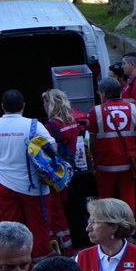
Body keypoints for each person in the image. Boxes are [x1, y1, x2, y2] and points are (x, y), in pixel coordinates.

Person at [0, 89, 57, 258]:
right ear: (23, 106)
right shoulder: (33, 125)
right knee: (39, 227)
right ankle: (40, 263)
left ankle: (16, 263)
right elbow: (52, 148)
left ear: (2, 107)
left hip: (3, 185)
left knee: (11, 229)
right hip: (33, 185)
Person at [42, 88, 88, 255]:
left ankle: (64, 247)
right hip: (71, 169)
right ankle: (71, 241)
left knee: (56, 211)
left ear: (51, 103)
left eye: (45, 102)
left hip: (57, 173)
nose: (44, 106)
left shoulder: (50, 125)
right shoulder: (72, 121)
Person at [90, 78, 136, 214]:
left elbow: (92, 141)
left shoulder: (95, 111)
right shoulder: (132, 108)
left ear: (104, 93)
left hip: (104, 163)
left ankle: (107, 230)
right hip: (128, 162)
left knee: (105, 202)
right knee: (128, 199)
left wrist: (94, 160)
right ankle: (129, 231)